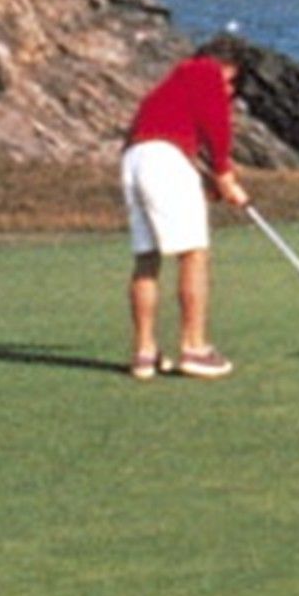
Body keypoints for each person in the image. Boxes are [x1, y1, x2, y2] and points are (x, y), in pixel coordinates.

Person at [121, 46, 251, 379]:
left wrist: (212, 180)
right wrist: (224, 175)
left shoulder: (170, 87)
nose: (229, 92)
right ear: (227, 66)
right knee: (193, 254)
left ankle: (144, 354)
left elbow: (168, 139)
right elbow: (216, 124)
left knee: (146, 258)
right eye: (232, 83)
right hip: (164, 161)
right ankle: (195, 348)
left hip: (134, 160)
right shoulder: (206, 70)